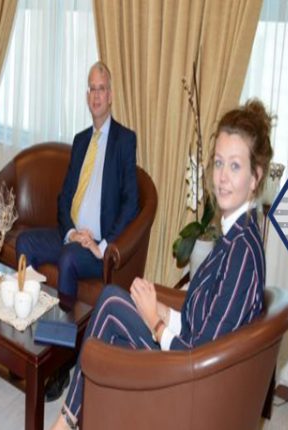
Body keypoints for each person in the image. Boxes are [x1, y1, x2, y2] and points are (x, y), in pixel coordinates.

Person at [50, 99, 273, 430]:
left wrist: (155, 322)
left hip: (193, 383)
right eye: (218, 163)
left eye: (235, 166)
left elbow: (200, 354)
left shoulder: (241, 252)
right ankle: (77, 419)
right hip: (192, 361)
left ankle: (67, 422)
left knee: (109, 306)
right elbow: (204, 320)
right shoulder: (236, 235)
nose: (222, 177)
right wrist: (164, 312)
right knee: (112, 307)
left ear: (255, 177)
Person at [15, 61, 139, 400]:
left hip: (96, 247)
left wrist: (103, 244)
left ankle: (61, 363)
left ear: (110, 96)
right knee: (25, 242)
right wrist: (70, 232)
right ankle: (25, 340)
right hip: (72, 236)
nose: (96, 95)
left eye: (102, 89)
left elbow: (131, 202)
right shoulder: (81, 140)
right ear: (87, 96)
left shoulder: (125, 141)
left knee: (69, 259)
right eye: (91, 89)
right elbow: (64, 196)